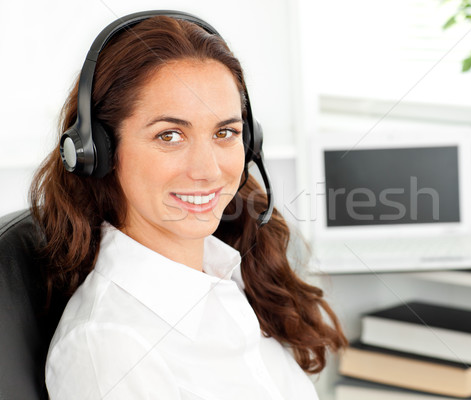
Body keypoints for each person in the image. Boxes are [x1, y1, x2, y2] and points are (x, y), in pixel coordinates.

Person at [31, 11, 347, 399]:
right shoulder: (110, 349)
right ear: (97, 152)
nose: (208, 169)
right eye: (170, 136)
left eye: (225, 132)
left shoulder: (231, 273)